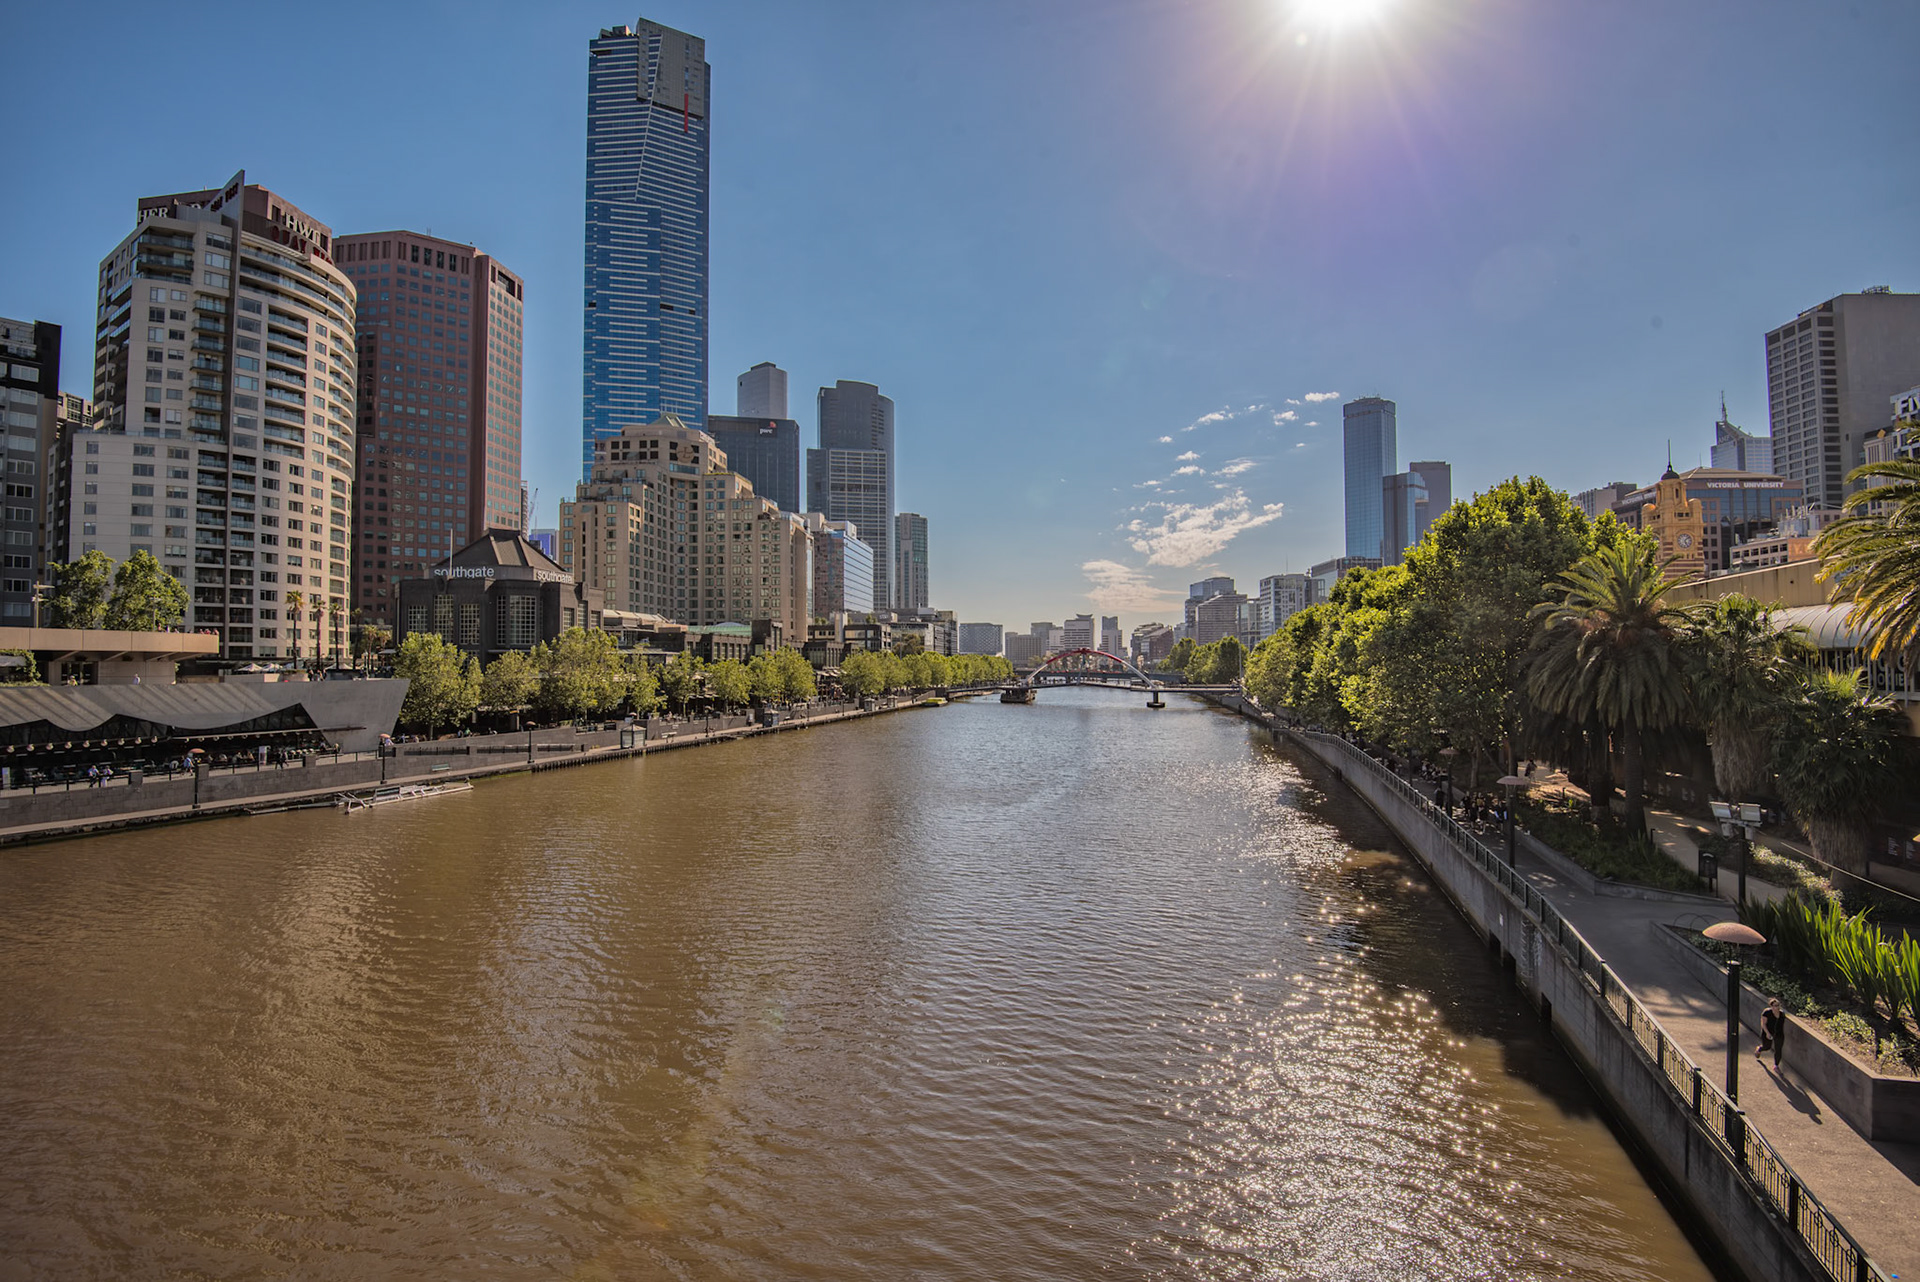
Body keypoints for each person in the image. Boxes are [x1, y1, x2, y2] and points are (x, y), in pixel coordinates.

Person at [1756, 998, 1786, 1069]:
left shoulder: (1782, 1014)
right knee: (1767, 1047)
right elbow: (1763, 1024)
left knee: (1778, 1049)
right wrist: (1767, 1033)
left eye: (1778, 1005)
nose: (1777, 1007)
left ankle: (1776, 1065)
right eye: (1775, 1006)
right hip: (1768, 1032)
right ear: (1771, 1006)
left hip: (1779, 1033)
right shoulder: (1766, 1013)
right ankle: (1760, 1049)